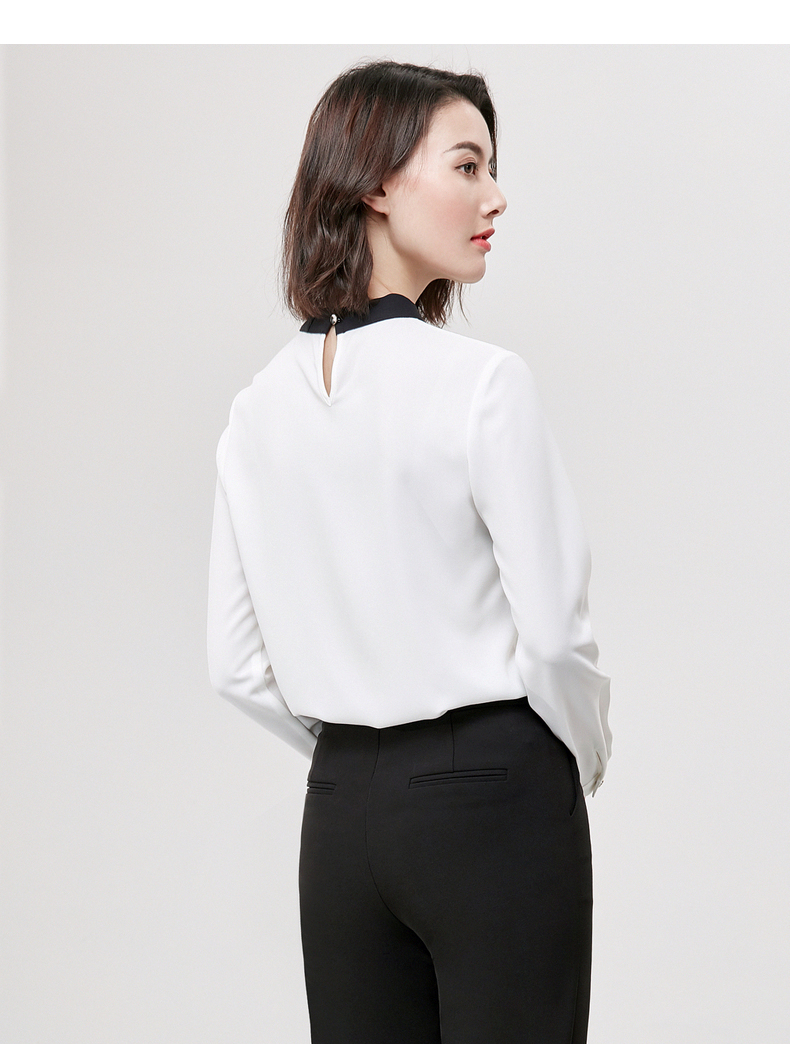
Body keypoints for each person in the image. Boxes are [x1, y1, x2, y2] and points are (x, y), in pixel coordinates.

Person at [207, 59, 612, 1044]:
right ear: (378, 182)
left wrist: (365, 755)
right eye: (468, 166)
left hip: (341, 814)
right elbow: (554, 639)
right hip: (495, 797)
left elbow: (235, 666)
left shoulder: (255, 410)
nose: (495, 197)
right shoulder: (482, 383)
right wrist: (579, 757)